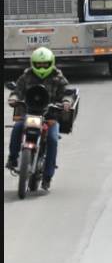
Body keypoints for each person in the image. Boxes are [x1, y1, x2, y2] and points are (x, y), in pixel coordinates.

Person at [6, 47, 73, 191]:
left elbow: (67, 92)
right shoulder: (26, 76)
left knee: (53, 139)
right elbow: (17, 91)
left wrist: (66, 102)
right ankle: (12, 158)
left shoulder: (58, 77)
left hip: (50, 116)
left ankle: (48, 175)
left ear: (51, 63)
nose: (42, 67)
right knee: (17, 128)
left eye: (45, 64)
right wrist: (13, 98)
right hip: (30, 113)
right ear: (32, 63)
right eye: (38, 64)